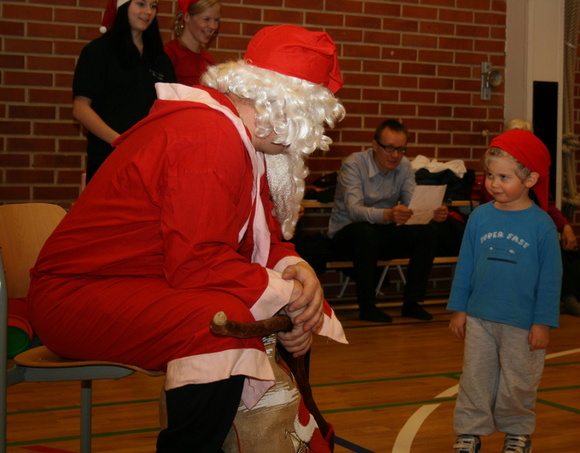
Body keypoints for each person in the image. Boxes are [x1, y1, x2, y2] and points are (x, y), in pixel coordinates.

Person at [29, 24, 346, 452]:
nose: (309, 143)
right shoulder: (210, 136)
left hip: (136, 285)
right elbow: (198, 262)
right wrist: (287, 301)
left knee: (226, 317)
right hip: (76, 296)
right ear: (284, 107)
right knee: (217, 325)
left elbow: (265, 241)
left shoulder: (238, 137)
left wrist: (298, 274)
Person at [448, 129, 562, 453]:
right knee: (474, 378)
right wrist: (460, 309)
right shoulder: (479, 218)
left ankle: (517, 433)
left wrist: (543, 322)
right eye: (490, 175)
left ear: (530, 179)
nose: (494, 184)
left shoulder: (542, 225)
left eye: (504, 177)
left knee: (519, 382)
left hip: (522, 322)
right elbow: (466, 265)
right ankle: (469, 432)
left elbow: (551, 279)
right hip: (480, 318)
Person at [327, 119, 449, 323]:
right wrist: (388, 215)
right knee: (365, 233)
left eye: (401, 149)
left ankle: (412, 303)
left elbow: (412, 204)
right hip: (347, 234)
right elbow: (354, 211)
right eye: (390, 148)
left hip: (381, 230)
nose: (395, 155)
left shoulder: (404, 166)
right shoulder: (354, 164)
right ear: (375, 145)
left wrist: (432, 212)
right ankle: (367, 307)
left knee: (427, 232)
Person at [73, 0, 176, 182]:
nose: (148, 11)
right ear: (123, 7)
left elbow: (169, 110)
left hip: (147, 163)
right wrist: (120, 141)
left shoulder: (160, 58)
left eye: (153, 6)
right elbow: (80, 109)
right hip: (106, 160)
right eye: (141, 4)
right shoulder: (97, 51)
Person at [503, 118, 580, 317]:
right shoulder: (500, 171)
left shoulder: (536, 170)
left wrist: (565, 226)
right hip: (508, 226)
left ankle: (568, 298)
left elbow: (548, 204)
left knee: (551, 242)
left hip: (535, 226)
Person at [164, 0, 220, 86]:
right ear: (187, 17)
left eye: (216, 20)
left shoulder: (208, 60)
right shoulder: (170, 54)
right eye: (206, 19)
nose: (213, 26)